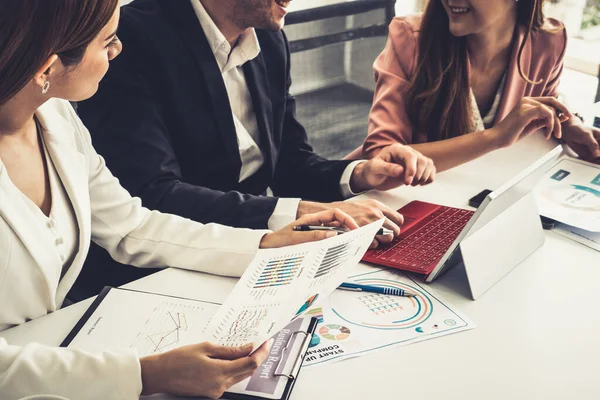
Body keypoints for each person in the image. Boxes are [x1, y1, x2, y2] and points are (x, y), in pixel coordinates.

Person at [0, 1, 360, 398]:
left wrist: (262, 245)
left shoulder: (57, 116)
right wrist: (143, 376)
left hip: (58, 351)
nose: (118, 51)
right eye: (108, 42)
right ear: (47, 69)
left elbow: (132, 226)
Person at [72, 0, 437, 299]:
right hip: (154, 278)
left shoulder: (269, 40)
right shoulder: (134, 40)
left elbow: (289, 163)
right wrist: (298, 213)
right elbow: (152, 194)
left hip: (252, 257)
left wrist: (358, 172)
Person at [352, 0, 600, 172]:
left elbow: (544, 100)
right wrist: (493, 138)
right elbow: (380, 156)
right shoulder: (410, 38)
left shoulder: (549, 41)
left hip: (481, 194)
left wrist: (568, 124)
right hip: (405, 203)